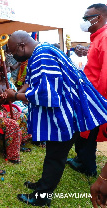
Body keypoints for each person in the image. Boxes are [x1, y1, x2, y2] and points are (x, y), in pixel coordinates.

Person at [4, 30, 107, 206]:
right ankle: (42, 184)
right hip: (63, 114)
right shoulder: (41, 51)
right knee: (52, 153)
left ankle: (41, 197)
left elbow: (47, 95)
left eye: (14, 52)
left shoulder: (43, 55)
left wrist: (15, 96)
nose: (14, 56)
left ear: (22, 46)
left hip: (65, 116)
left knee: (55, 157)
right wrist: (15, 93)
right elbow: (30, 81)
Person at [67, 3, 107, 177]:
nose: (83, 22)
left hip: (95, 97)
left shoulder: (105, 37)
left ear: (98, 17)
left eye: (86, 18)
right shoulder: (97, 38)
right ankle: (82, 160)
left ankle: (88, 166)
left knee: (89, 132)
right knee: (84, 131)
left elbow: (105, 75)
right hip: (88, 95)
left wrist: (98, 101)